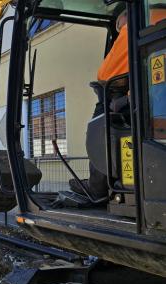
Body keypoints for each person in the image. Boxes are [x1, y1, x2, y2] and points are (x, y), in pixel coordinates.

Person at [70, 6, 166, 199]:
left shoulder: (141, 22)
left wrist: (125, 97)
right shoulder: (154, 33)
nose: (118, 29)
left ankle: (98, 186)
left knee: (101, 128)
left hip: (123, 95)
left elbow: (112, 73)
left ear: (125, 15)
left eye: (118, 25)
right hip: (139, 95)